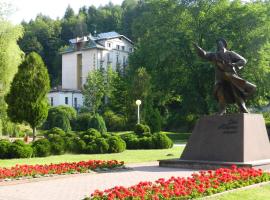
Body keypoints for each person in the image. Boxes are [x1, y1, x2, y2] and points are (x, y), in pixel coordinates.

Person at [193, 38, 256, 115]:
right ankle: (222, 110)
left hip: (231, 76)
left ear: (224, 45)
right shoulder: (214, 55)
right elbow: (204, 54)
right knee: (220, 93)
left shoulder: (230, 53)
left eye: (220, 43)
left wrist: (234, 64)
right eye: (218, 43)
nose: (219, 44)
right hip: (220, 78)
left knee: (237, 92)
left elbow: (243, 60)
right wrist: (197, 47)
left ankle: (243, 109)